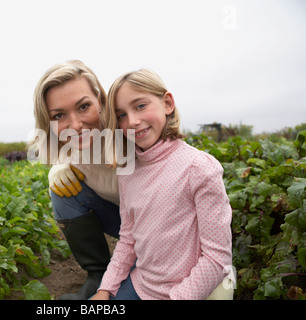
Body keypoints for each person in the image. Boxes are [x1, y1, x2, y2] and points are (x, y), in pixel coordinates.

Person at [90, 68, 234, 300]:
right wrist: (105, 289)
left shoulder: (198, 167)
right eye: (121, 115)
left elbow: (217, 258)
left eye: (140, 106)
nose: (133, 121)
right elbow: (128, 238)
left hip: (189, 291)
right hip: (142, 286)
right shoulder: (128, 172)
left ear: (167, 103)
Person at [29, 60, 121, 300]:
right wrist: (56, 168)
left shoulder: (129, 131)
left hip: (162, 227)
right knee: (61, 186)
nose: (75, 125)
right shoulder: (68, 147)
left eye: (83, 106)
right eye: (59, 115)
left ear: (100, 99)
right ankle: (97, 275)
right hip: (126, 226)